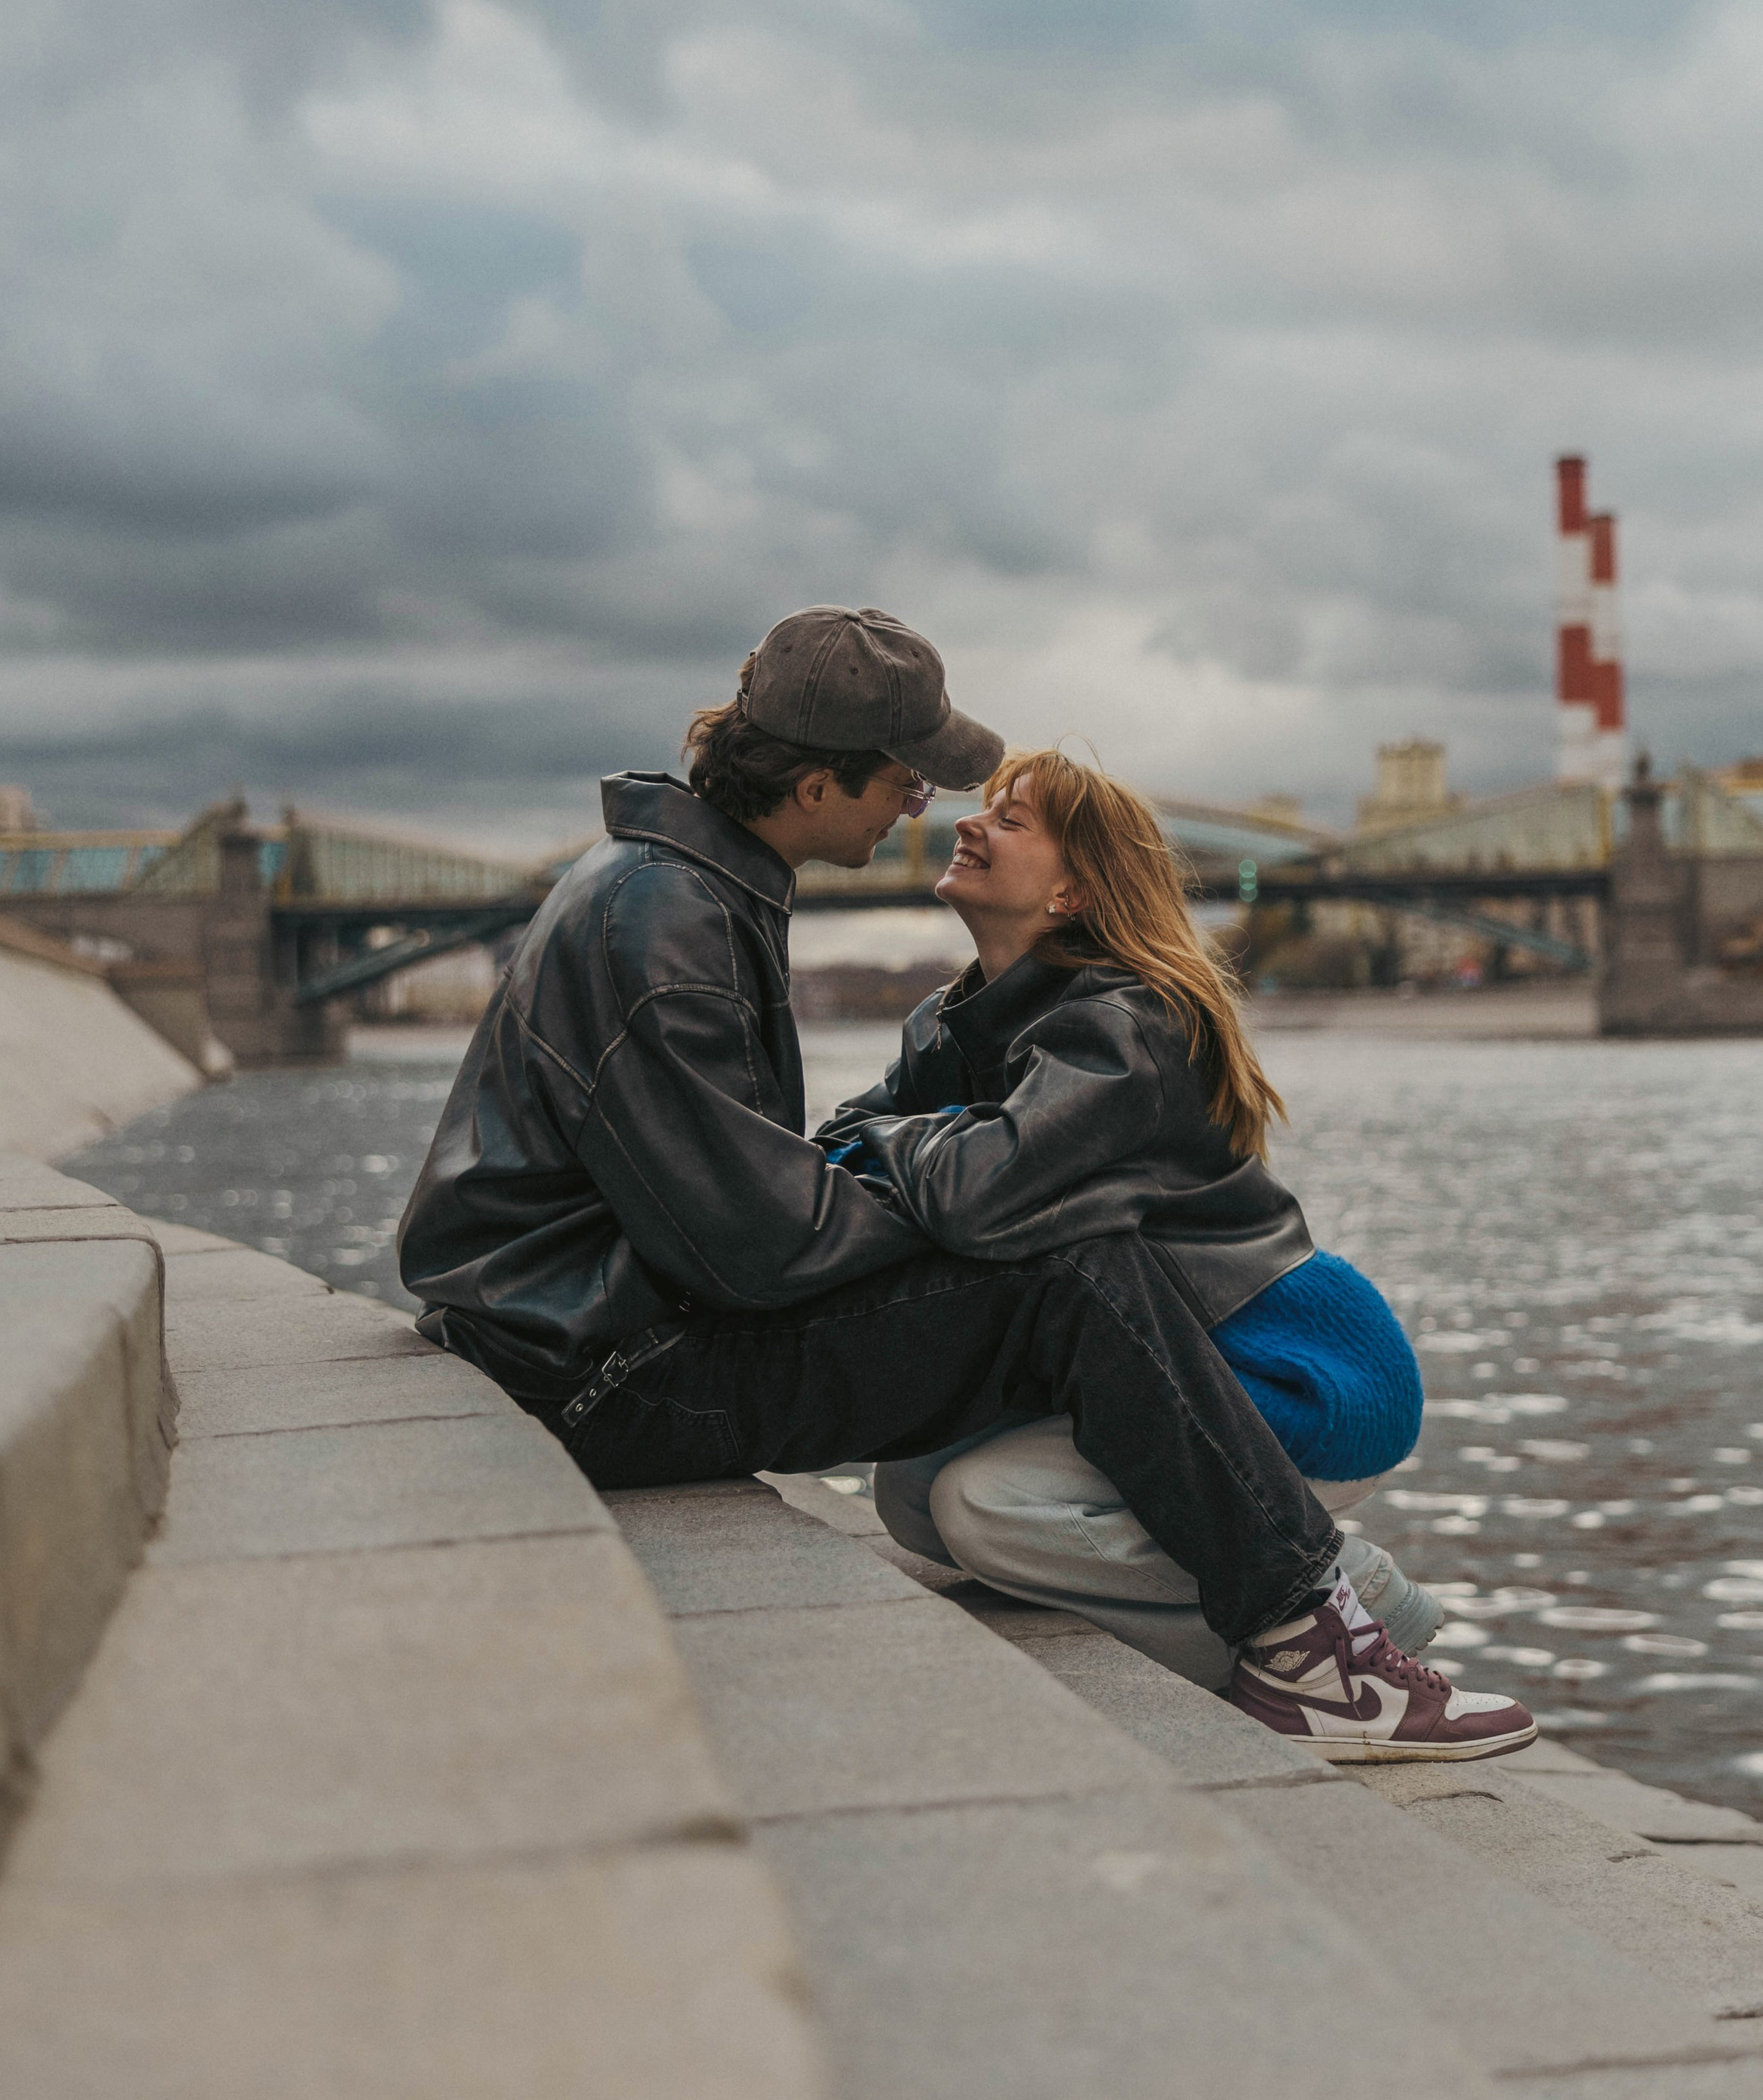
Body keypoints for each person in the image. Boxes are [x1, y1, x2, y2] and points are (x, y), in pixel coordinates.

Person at [397, 606, 1363, 1706]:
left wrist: (921, 1171)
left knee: (1034, 1277)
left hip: (582, 1325)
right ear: (816, 788)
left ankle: (1303, 1605)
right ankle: (1310, 1636)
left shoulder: (673, 886)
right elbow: (767, 1246)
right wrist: (970, 1186)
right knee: (1071, 1267)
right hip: (597, 1370)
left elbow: (794, 1183)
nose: (922, 806)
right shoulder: (666, 924)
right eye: (905, 781)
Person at [813, 749, 1537, 1762]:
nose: (971, 825)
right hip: (1163, 1359)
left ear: (1072, 891)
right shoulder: (952, 1023)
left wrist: (899, 1143)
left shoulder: (1125, 1025)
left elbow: (973, 1192)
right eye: (982, 810)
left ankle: (1335, 1610)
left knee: (986, 1510)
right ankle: (1304, 1585)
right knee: (909, 1498)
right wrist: (904, 1141)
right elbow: (833, 1147)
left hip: (1305, 1366)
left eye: (1012, 820)